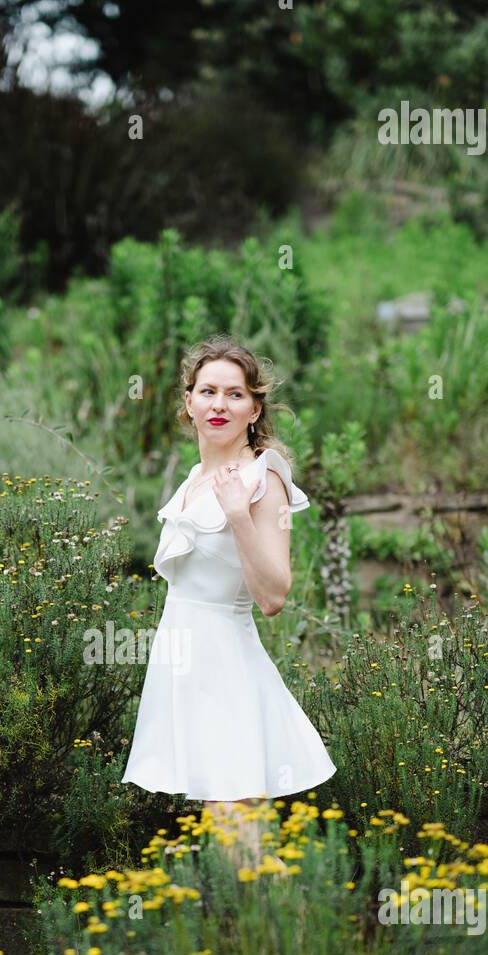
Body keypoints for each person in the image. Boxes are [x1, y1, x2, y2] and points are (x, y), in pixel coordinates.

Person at [121, 334, 336, 865]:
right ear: (188, 403)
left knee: (235, 834)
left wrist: (240, 515)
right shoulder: (194, 479)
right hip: (183, 668)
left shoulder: (265, 479)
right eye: (208, 391)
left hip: (224, 667)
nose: (220, 404)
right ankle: (262, 940)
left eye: (235, 394)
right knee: (230, 842)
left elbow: (273, 596)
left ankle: (291, 936)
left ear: (254, 408)